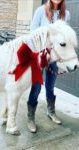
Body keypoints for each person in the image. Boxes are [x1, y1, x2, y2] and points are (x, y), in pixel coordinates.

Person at [27, 0, 71, 133]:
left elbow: (64, 36)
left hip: (54, 57)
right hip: (40, 56)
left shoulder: (66, 14)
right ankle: (30, 117)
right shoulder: (40, 11)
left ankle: (50, 111)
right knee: (35, 87)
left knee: (50, 86)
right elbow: (32, 34)